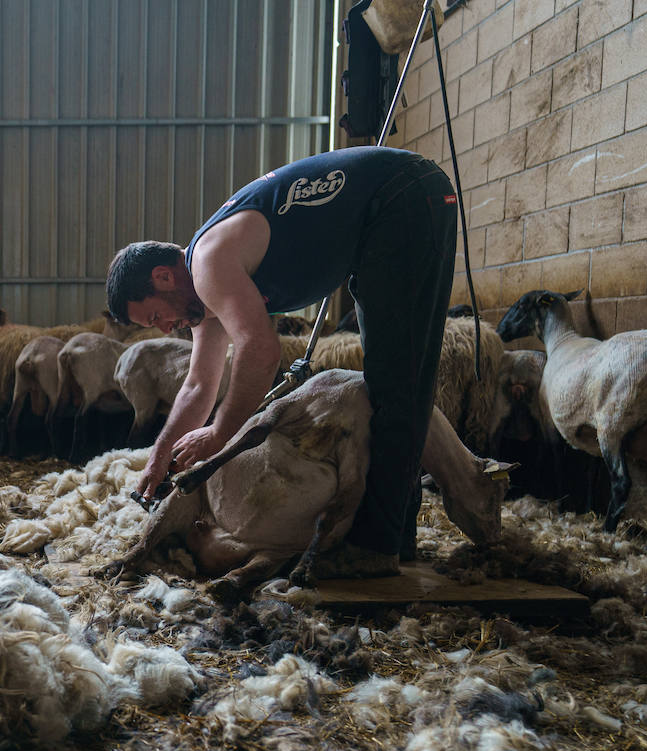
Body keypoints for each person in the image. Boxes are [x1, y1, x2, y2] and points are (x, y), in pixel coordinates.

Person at [105, 146, 457, 578]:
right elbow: (199, 385)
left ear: (163, 278)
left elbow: (261, 349)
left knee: (396, 380)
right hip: (386, 213)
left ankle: (377, 546)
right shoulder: (204, 298)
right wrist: (159, 456)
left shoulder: (208, 265)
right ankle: (393, 538)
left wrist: (219, 433)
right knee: (389, 380)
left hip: (403, 196)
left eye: (156, 316)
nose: (165, 329)